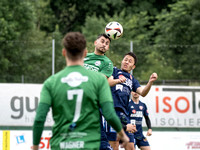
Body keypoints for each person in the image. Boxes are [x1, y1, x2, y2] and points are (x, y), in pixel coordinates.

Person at [32, 32, 129, 150]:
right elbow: (109, 114)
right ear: (84, 53)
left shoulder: (51, 83)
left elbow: (39, 119)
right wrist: (123, 135)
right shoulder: (98, 80)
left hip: (61, 144)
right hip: (88, 143)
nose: (104, 45)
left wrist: (36, 146)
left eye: (107, 43)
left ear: (63, 52)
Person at [84, 33, 130, 150]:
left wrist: (117, 81)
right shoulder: (84, 57)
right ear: (95, 42)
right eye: (102, 41)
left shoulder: (106, 62)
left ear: (108, 48)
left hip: (92, 103)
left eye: (107, 43)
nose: (104, 45)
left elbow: (104, 81)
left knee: (101, 143)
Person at [106, 52, 158, 150]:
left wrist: (150, 82)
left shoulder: (132, 79)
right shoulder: (114, 71)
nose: (126, 62)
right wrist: (118, 80)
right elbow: (108, 82)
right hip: (113, 111)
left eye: (130, 61)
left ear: (133, 67)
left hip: (125, 115)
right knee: (114, 146)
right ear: (122, 61)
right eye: (125, 59)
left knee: (130, 147)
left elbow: (142, 92)